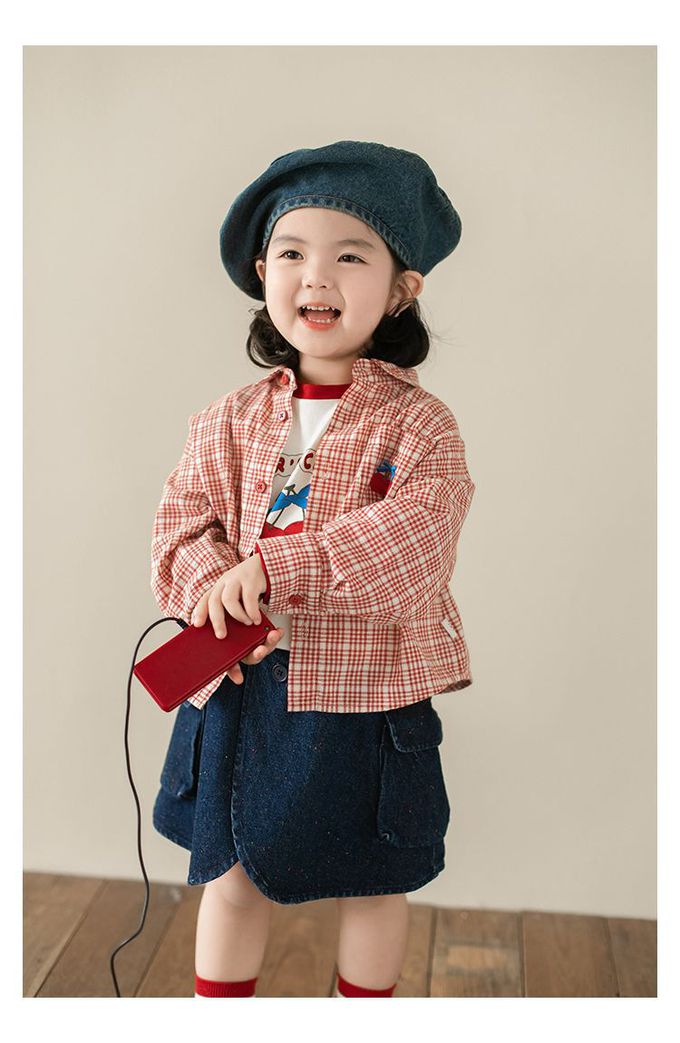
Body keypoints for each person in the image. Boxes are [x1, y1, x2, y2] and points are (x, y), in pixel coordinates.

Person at [149, 140, 476, 999]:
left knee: (373, 881)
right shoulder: (226, 420)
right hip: (240, 688)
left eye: (351, 256)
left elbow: (415, 542)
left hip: (365, 694)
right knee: (229, 876)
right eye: (292, 253)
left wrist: (278, 566)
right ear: (264, 273)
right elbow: (180, 529)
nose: (316, 276)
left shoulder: (421, 428)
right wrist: (215, 592)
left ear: (402, 288)